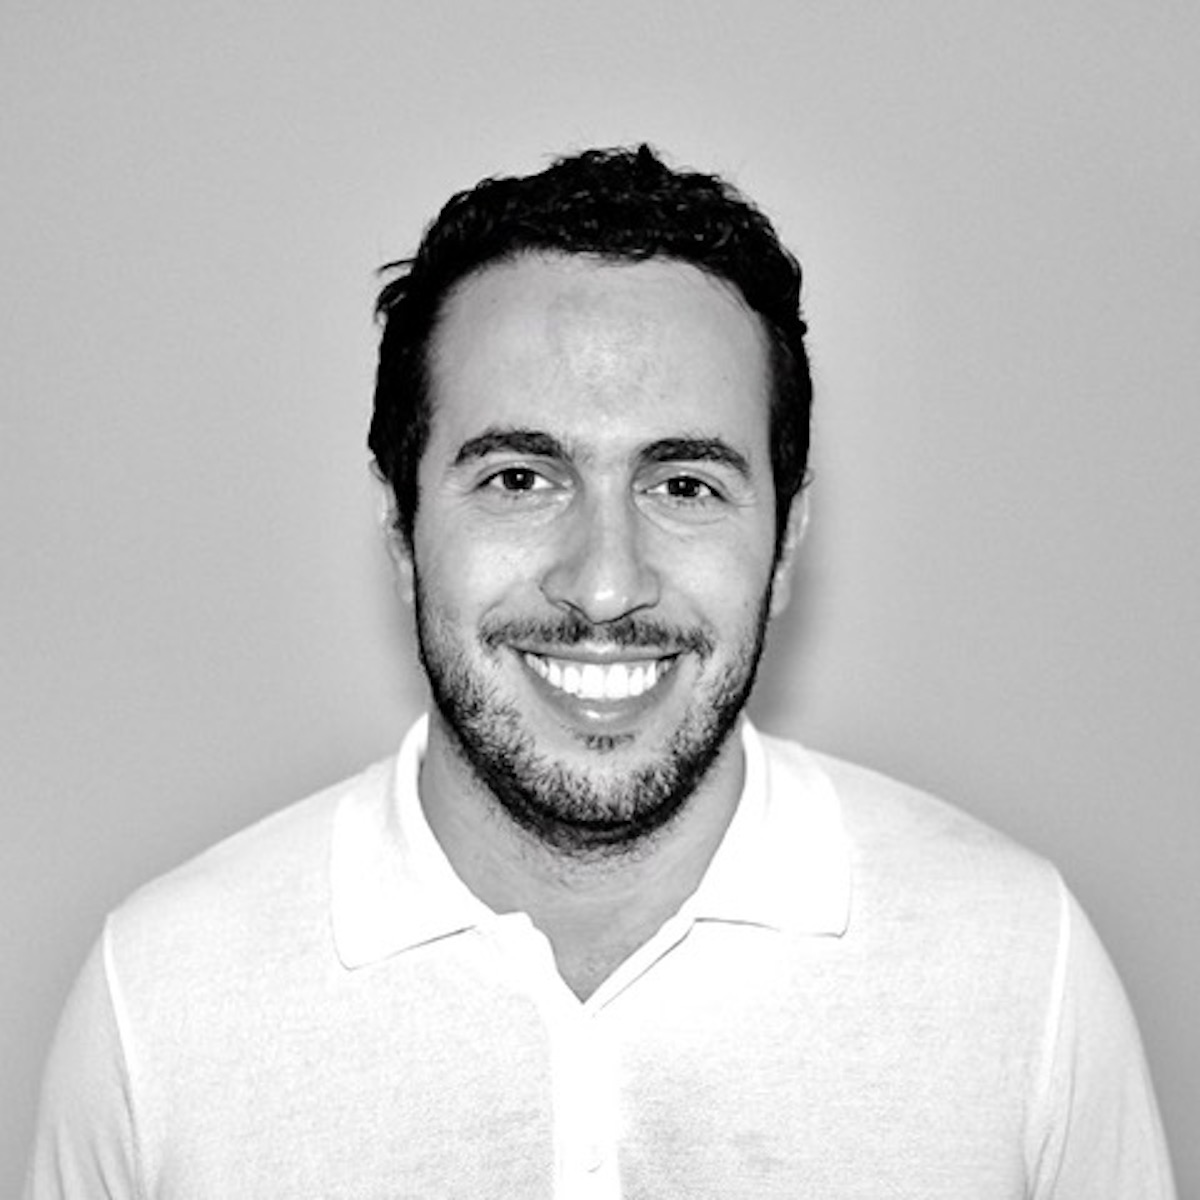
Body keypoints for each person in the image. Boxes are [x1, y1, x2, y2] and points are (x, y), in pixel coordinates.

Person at [25, 145, 1175, 1199]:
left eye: (684, 486)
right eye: (521, 479)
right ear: (400, 529)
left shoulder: (1022, 968)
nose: (606, 585)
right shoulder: (160, 1000)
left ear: (786, 545)